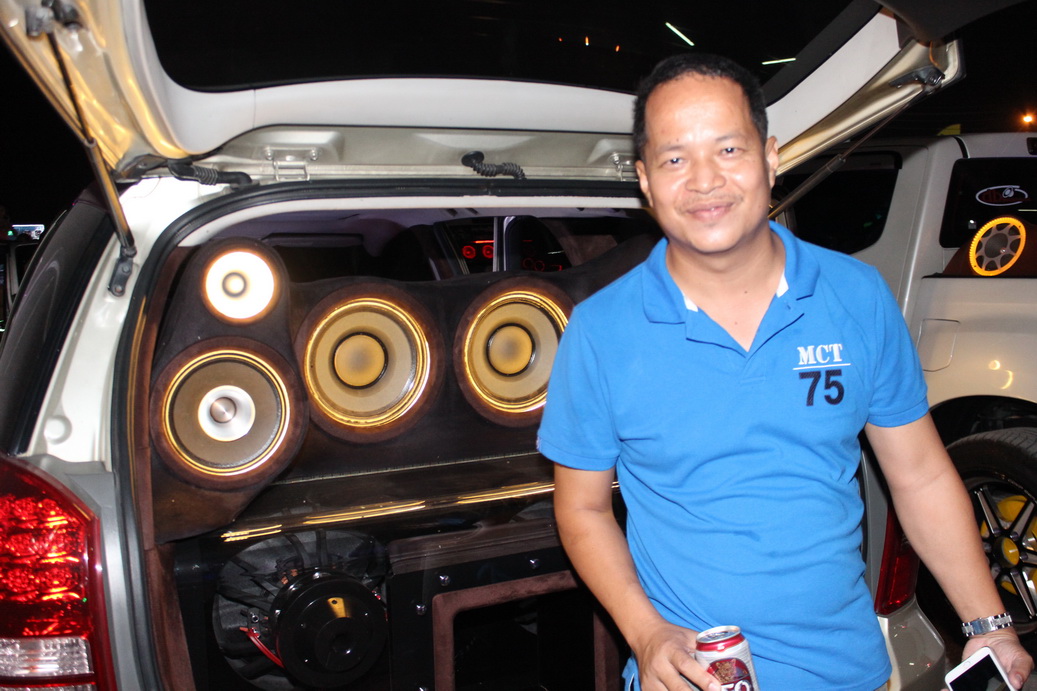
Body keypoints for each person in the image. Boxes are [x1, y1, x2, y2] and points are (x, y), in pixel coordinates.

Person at [536, 53, 1034, 690]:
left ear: (771, 158)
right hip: (695, 676)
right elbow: (582, 509)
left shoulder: (857, 296)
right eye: (675, 158)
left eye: (728, 149)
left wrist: (989, 623)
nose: (704, 180)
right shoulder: (601, 331)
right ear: (645, 181)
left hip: (848, 672)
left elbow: (921, 475)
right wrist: (644, 631)